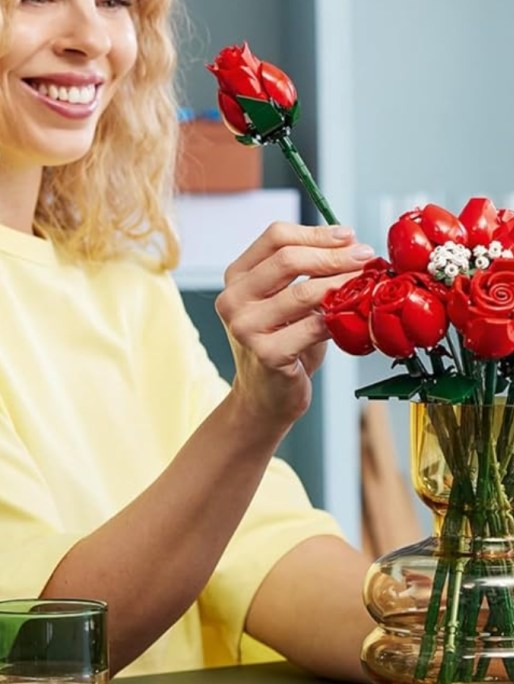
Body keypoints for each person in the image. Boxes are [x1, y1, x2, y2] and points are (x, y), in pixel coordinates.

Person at [0, 0, 377, 678]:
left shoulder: (121, 278)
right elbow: (42, 643)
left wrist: (456, 644)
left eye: (114, 2)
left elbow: (261, 547)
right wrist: (251, 417)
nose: (92, 37)